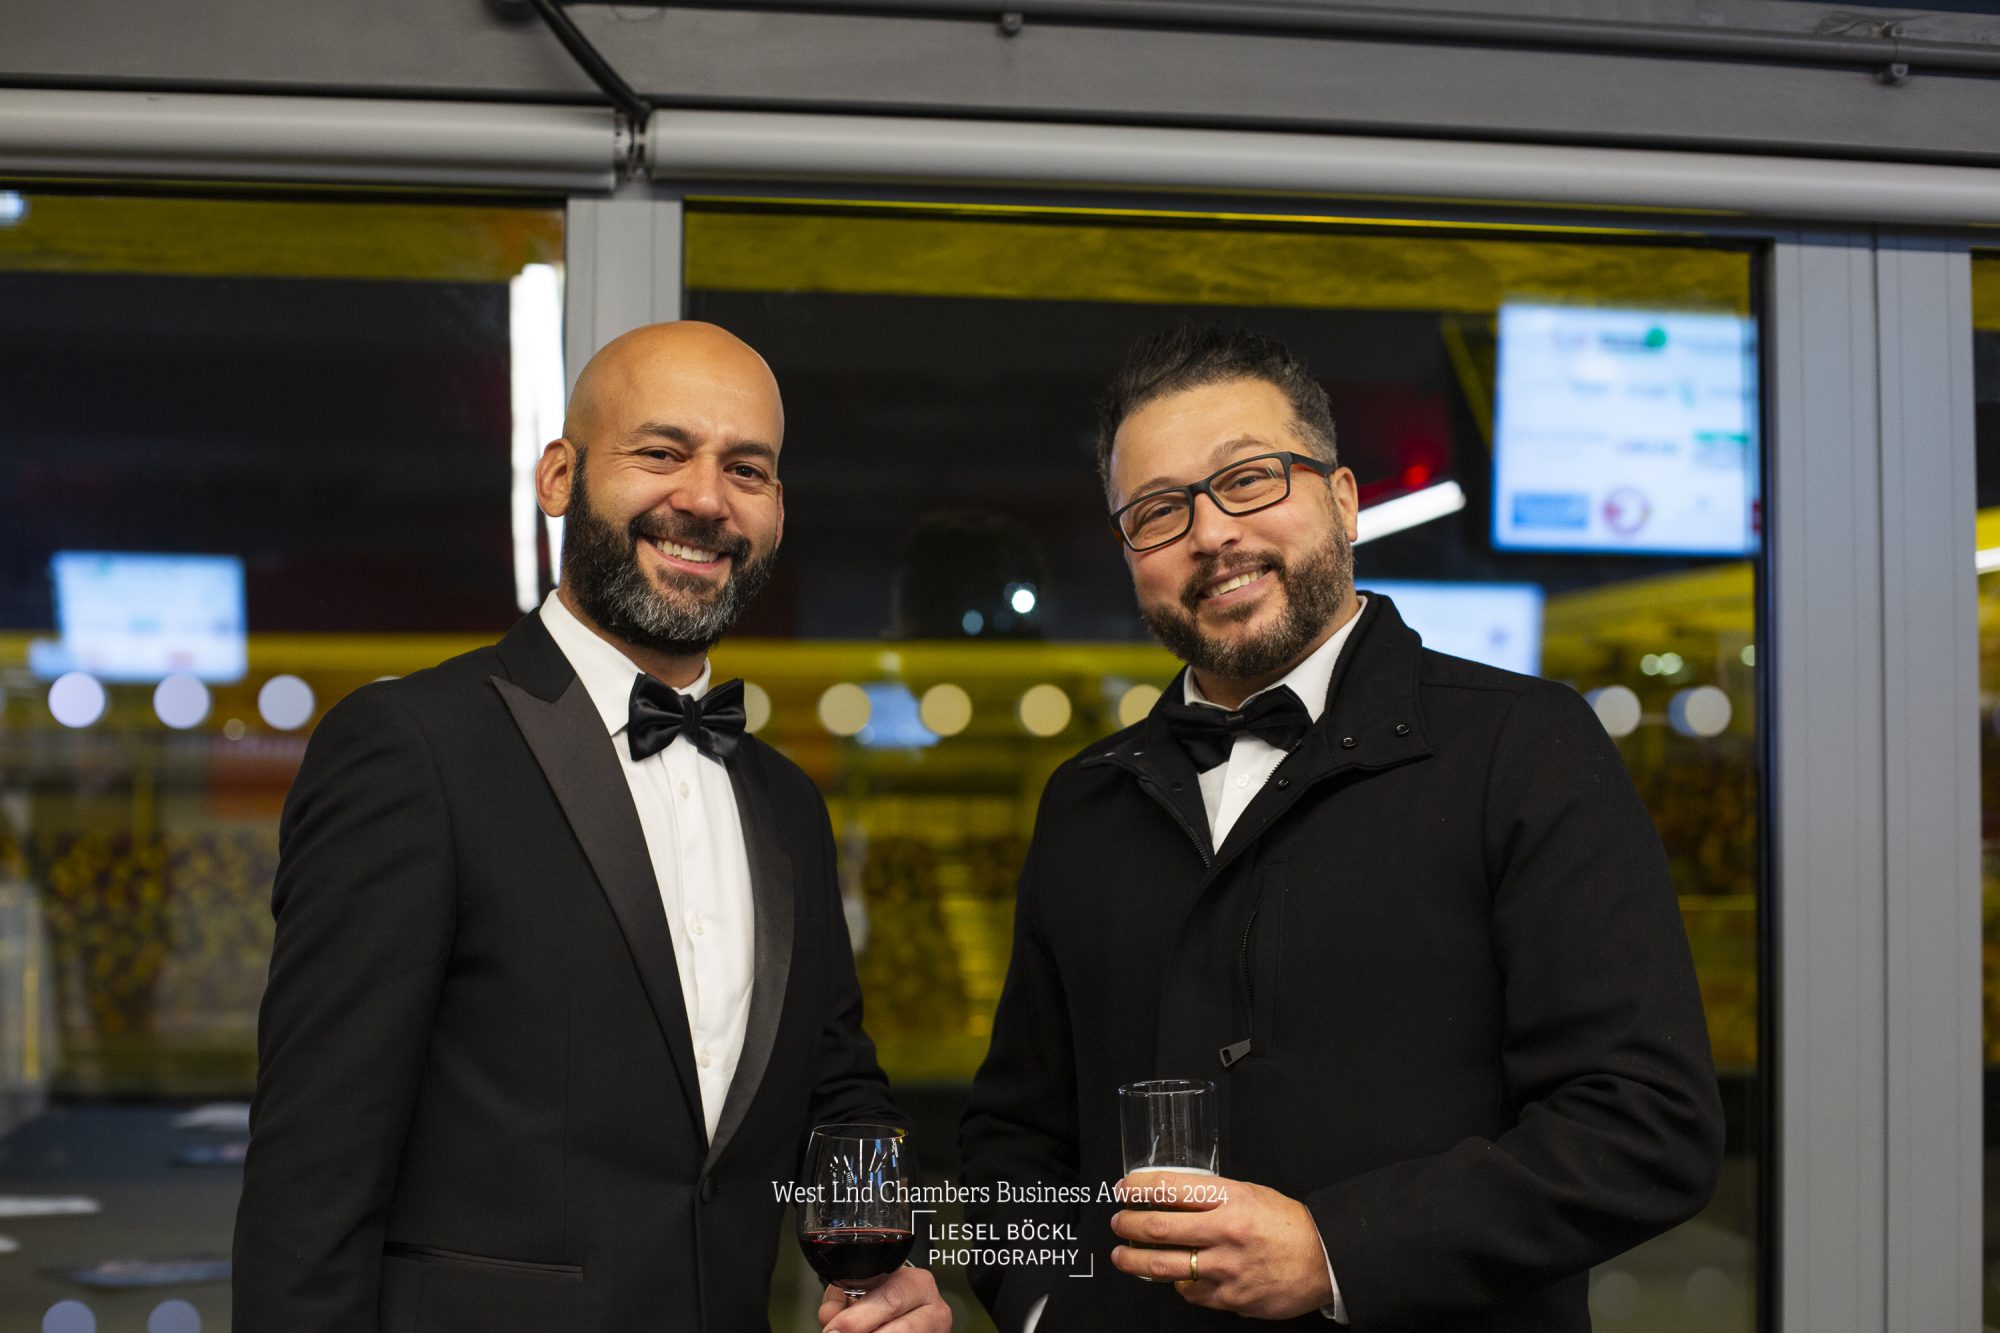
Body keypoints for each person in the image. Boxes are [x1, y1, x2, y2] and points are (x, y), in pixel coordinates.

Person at [959, 324, 1723, 1332]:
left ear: (1345, 500)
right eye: (1158, 510)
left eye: (1248, 479)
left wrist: (1335, 1252)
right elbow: (1010, 1138)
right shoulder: (1083, 800)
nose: (1210, 533)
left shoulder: (1524, 745)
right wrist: (1039, 1310)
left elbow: (1647, 1126)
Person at [234, 321, 951, 1333]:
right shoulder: (411, 749)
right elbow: (311, 1179)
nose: (705, 498)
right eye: (661, 452)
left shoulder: (789, 802)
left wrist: (887, 1262)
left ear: (778, 512)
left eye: (745, 469)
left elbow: (841, 1093)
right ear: (559, 476)